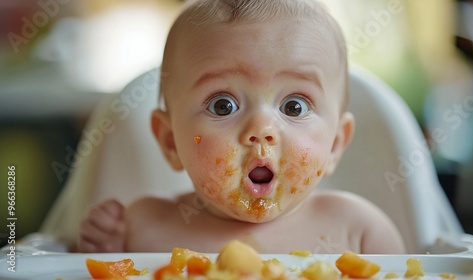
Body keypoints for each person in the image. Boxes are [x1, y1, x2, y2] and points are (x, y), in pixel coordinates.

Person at [77, 0, 406, 254]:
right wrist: (104, 247)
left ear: (334, 144)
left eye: (294, 106)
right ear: (170, 142)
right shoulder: (141, 228)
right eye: (223, 105)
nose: (262, 129)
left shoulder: (359, 232)